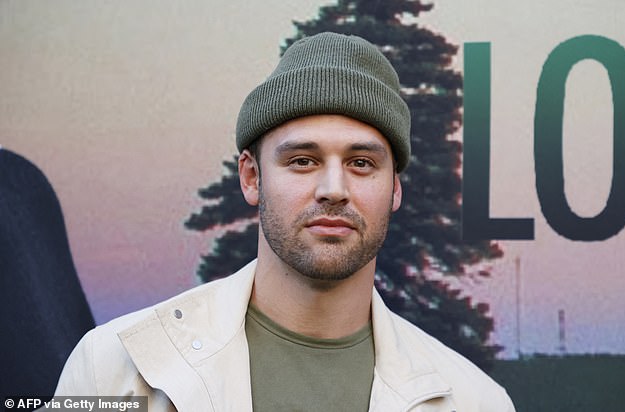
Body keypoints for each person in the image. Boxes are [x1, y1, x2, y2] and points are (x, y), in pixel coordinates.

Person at [53, 32, 515, 411]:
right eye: (302, 161)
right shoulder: (114, 369)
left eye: (361, 163)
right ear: (252, 178)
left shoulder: (477, 402)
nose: (334, 188)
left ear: (394, 188)